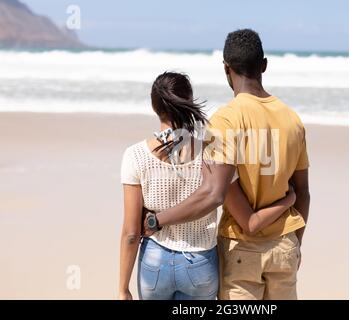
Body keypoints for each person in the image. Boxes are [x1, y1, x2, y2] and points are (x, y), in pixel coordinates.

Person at [143, 29, 310, 300]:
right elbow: (302, 193)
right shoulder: (293, 120)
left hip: (241, 249)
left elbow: (213, 193)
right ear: (264, 65)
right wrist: (296, 243)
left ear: (226, 68)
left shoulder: (226, 120)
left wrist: (156, 220)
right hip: (285, 245)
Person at [118, 71, 298, 300]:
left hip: (155, 262)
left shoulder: (136, 155)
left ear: (155, 107)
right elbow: (247, 219)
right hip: (200, 264)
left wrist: (123, 289)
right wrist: (288, 199)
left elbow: (132, 233)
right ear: (189, 103)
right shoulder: (214, 151)